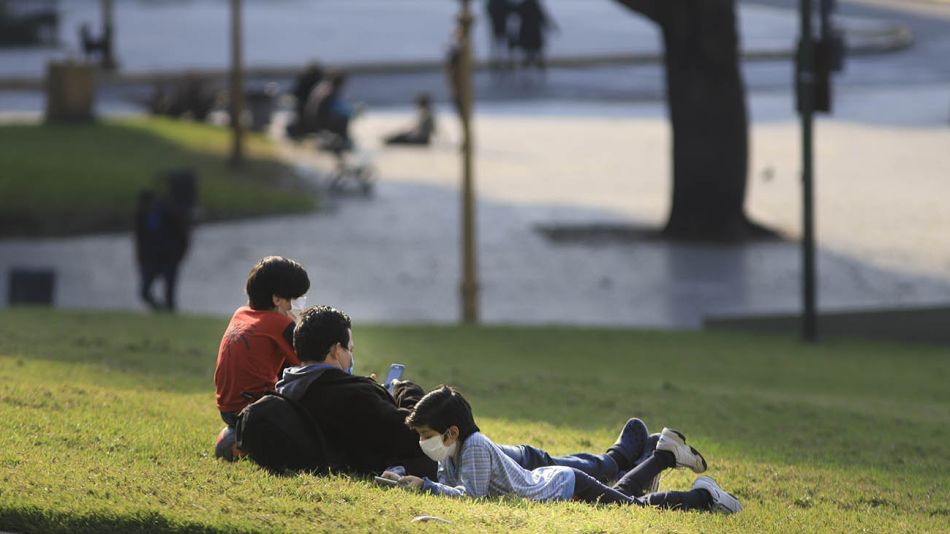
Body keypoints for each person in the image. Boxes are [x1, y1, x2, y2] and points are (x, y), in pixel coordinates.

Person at [277, 305, 675, 484]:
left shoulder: (299, 382)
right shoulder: (343, 394)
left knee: (529, 458)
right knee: (533, 461)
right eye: (349, 346)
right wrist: (404, 391)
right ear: (333, 350)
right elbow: (412, 430)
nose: (352, 354)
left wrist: (378, 392)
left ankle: (619, 462)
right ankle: (616, 462)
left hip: (416, 457)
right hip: (436, 461)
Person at [383, 386, 742, 514]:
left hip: (563, 485)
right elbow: (445, 482)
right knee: (622, 497)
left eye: (426, 435)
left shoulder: (474, 447)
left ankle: (703, 497)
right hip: (556, 482)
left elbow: (469, 497)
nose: (422, 443)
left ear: (452, 431)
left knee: (632, 506)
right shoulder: (453, 452)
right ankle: (663, 453)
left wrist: (426, 488)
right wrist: (402, 477)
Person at [213, 256, 310, 460]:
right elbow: (310, 365)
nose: (300, 306)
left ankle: (236, 435)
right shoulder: (279, 324)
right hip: (254, 409)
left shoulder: (241, 313)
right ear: (277, 300)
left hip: (227, 408)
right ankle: (242, 443)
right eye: (296, 300)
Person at [133, 188, 189, 312]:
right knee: (145, 291)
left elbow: (182, 234)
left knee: (169, 293)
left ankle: (168, 314)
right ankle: (160, 311)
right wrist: (141, 259)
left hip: (169, 257)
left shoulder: (167, 212)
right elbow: (139, 239)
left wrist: (179, 254)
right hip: (151, 259)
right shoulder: (141, 215)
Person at [514, 0, 555, 70]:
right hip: (534, 29)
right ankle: (538, 63)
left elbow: (516, 13)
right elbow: (542, 16)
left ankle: (529, 63)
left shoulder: (523, 5)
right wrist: (548, 25)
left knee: (528, 49)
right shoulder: (535, 4)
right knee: (536, 48)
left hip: (526, 29)